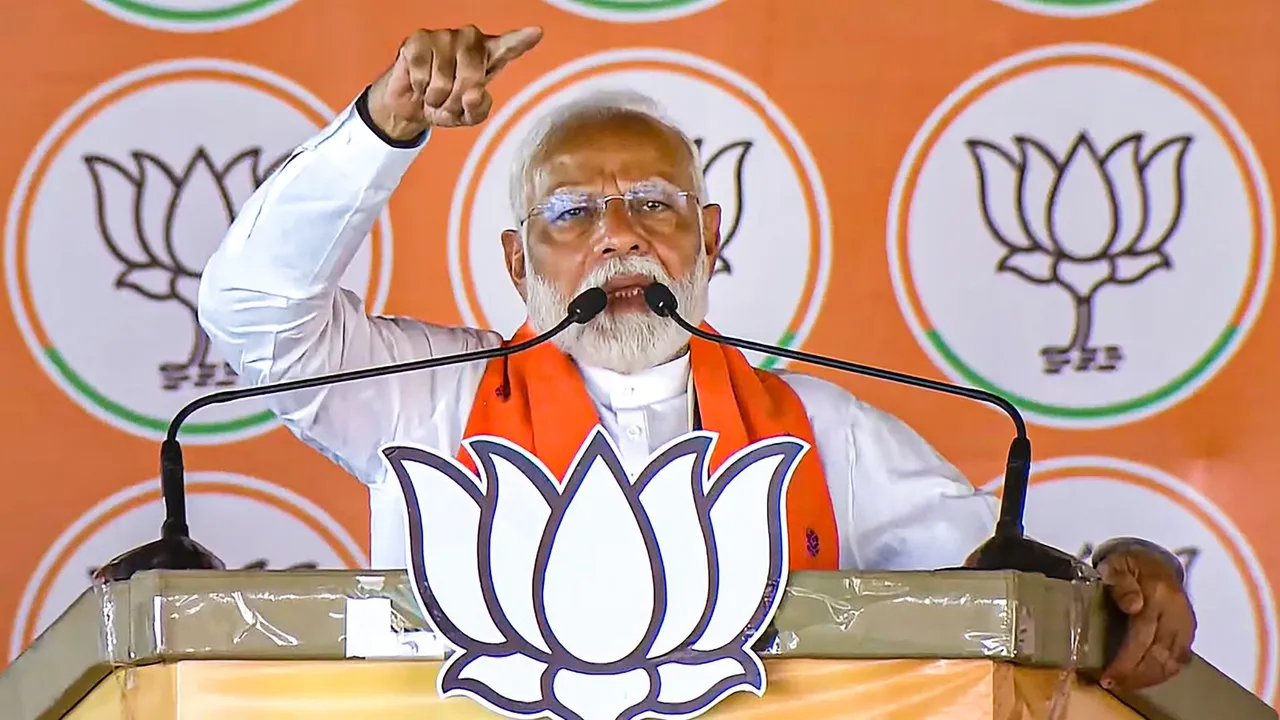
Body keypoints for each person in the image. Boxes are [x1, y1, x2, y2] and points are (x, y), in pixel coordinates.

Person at [198, 24, 1196, 690]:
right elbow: (250, 311)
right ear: (515, 258)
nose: (618, 236)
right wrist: (382, 128)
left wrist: (1112, 576)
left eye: (654, 205)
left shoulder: (827, 434)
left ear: (708, 237)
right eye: (569, 212)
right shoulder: (426, 405)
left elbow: (998, 585)